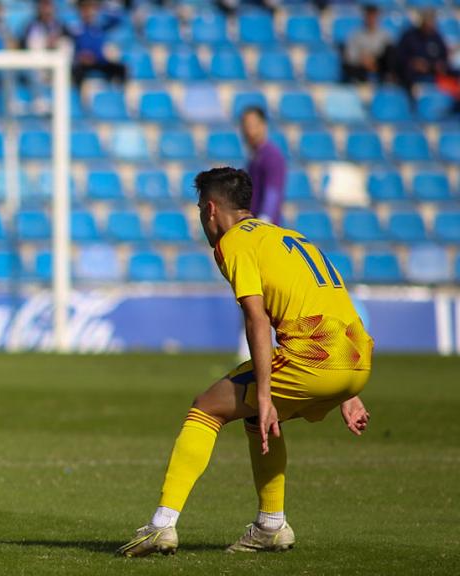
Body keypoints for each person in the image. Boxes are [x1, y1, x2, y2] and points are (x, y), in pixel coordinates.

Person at [118, 167, 373, 557]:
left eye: (201, 211)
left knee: (206, 408)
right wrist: (347, 390)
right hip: (355, 354)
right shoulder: (286, 235)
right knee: (257, 417)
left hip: (315, 359)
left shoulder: (234, 243)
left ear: (211, 209)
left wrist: (268, 393)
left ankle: (161, 525)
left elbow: (256, 319)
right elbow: (328, 304)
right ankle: (271, 525)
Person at [66, 0, 127, 100]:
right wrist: (80, 57)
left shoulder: (100, 27)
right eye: (85, 9)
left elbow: (119, 19)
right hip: (83, 64)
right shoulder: (76, 29)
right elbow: (70, 47)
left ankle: (118, 97)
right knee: (76, 71)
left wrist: (102, 6)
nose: (88, 12)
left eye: (91, 9)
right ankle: (79, 99)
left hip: (99, 61)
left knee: (121, 68)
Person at [240, 106, 285, 225]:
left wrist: (264, 221)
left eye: (252, 125)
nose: (248, 131)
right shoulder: (254, 156)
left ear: (263, 125)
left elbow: (273, 192)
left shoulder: (271, 155)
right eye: (245, 126)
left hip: (262, 228)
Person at [396, 9, 454, 100]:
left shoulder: (436, 37)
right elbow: (400, 56)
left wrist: (440, 64)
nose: (429, 25)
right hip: (413, 75)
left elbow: (444, 56)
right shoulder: (409, 36)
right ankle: (411, 101)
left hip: (434, 72)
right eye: (427, 22)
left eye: (431, 22)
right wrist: (413, 63)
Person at [343, 4, 394, 84]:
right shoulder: (356, 35)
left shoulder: (385, 35)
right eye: (369, 16)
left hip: (379, 66)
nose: (371, 19)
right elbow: (350, 56)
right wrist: (362, 60)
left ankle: (388, 80)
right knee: (348, 67)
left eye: (373, 16)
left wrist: (374, 61)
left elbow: (389, 55)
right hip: (361, 67)